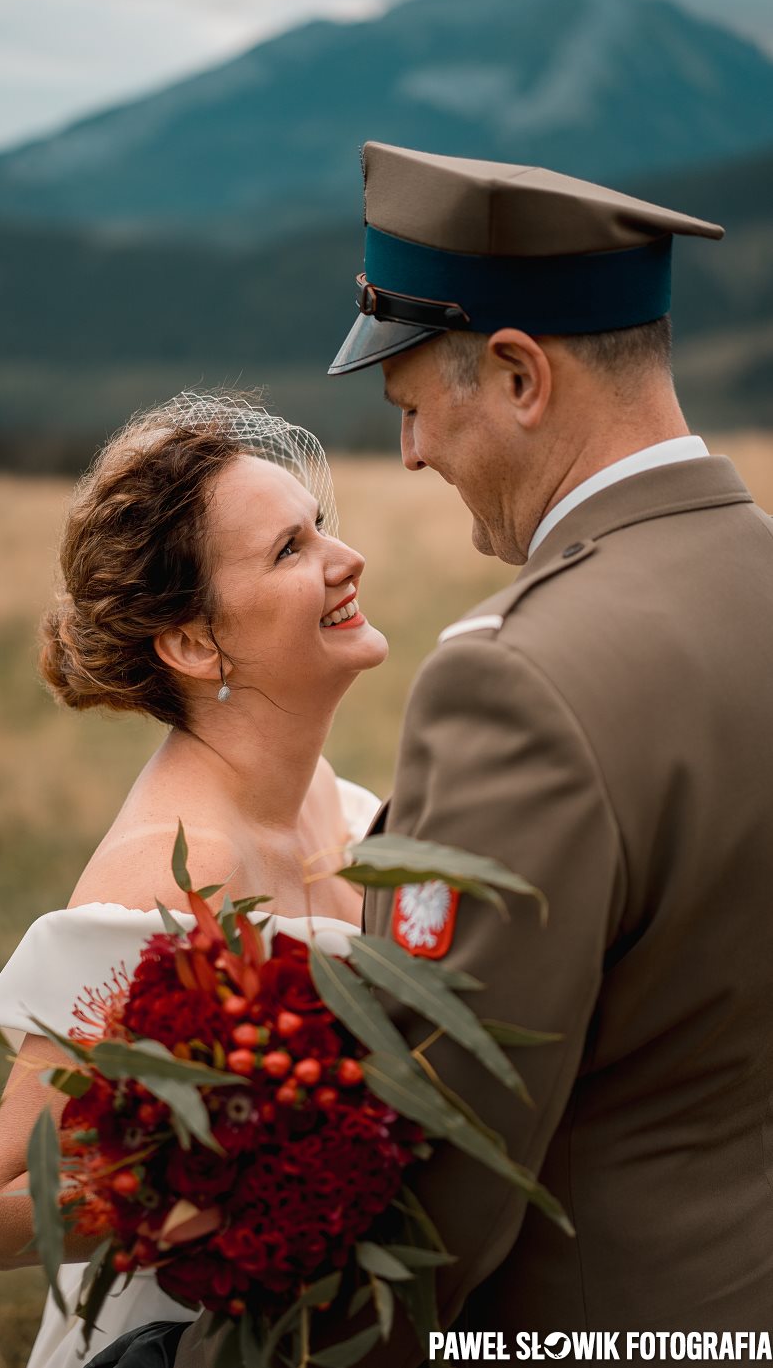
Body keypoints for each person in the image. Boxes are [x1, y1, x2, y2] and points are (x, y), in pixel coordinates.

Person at [320, 142, 773, 1357]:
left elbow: (443, 1159)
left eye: (413, 408)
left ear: (518, 375)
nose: (411, 456)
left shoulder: (513, 678)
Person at [0, 392, 388, 1368]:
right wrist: (246, 1176)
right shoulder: (169, 875)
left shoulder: (341, 803)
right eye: (289, 550)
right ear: (195, 644)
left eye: (316, 528)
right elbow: (1, 1210)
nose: (343, 559)